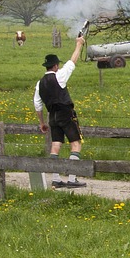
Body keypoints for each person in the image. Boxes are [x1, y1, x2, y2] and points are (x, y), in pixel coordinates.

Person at [34, 35, 86, 188]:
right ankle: (71, 178)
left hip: (52, 117)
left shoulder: (40, 83)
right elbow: (72, 61)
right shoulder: (60, 76)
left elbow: (37, 105)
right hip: (65, 114)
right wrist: (79, 44)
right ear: (56, 66)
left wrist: (42, 123)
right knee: (75, 144)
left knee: (56, 145)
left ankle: (56, 178)